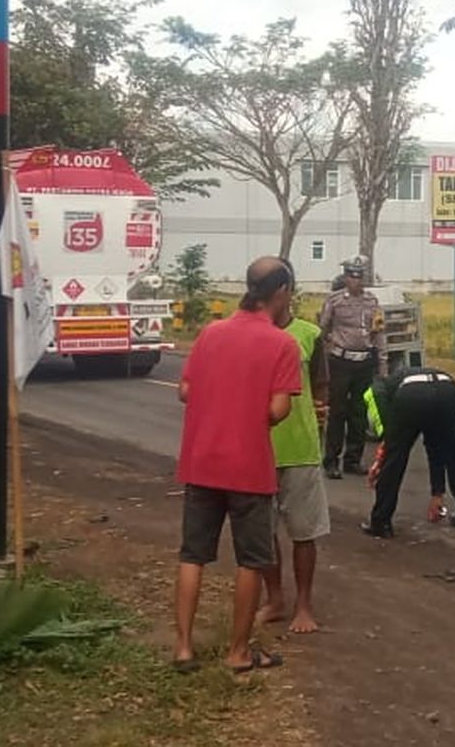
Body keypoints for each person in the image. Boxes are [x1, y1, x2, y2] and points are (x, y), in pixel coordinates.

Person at [173, 256, 302, 674]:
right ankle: (238, 652)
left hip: (201, 462)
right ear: (280, 293)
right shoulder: (283, 344)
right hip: (248, 467)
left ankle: (183, 649)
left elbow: (185, 390)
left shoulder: (211, 333)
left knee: (193, 555)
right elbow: (279, 409)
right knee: (250, 559)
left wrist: (219, 405)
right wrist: (249, 413)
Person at [257, 259, 331, 634]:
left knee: (304, 532)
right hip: (256, 448)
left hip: (300, 448)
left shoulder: (309, 334)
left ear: (287, 290)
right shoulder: (248, 334)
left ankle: (304, 605)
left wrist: (321, 412)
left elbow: (320, 386)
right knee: (263, 532)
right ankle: (274, 599)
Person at [359, 366, 455, 538]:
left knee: (395, 458)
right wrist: (437, 494)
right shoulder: (402, 377)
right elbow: (434, 446)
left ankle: (381, 522)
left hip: (412, 397)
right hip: (448, 389)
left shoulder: (375, 391)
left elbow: (388, 437)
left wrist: (380, 462)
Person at [319, 255, 386, 480]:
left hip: (364, 362)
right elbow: (323, 329)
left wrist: (382, 365)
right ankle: (331, 461)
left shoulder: (372, 301)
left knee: (359, 413)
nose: (357, 280)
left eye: (360, 276)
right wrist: (330, 348)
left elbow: (378, 333)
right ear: (346, 278)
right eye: (352, 276)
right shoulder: (335, 300)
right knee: (338, 412)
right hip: (341, 361)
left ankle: (353, 460)